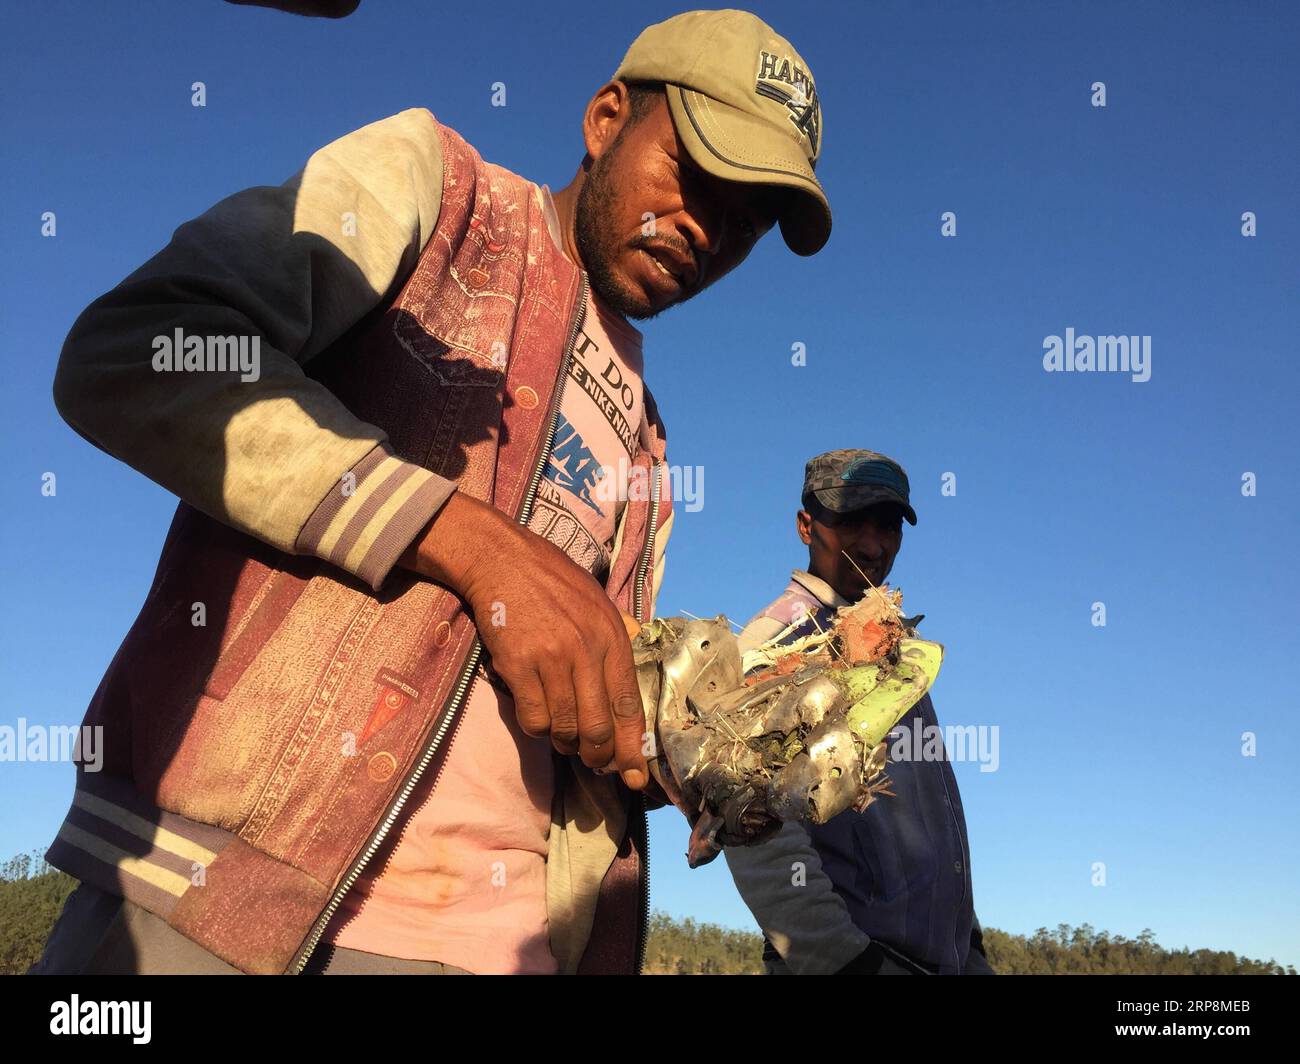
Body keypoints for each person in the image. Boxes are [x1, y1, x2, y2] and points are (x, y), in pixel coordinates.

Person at [30, 9, 832, 975]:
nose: (708, 227)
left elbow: (561, 695)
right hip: (224, 907)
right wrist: (476, 542)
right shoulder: (443, 193)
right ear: (606, 116)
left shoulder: (651, 447)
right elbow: (137, 352)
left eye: (744, 223)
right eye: (694, 176)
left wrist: (684, 752)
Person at [725, 449, 995, 975]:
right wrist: (842, 959)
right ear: (807, 526)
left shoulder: (896, 646)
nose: (872, 546)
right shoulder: (775, 645)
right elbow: (754, 831)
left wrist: (973, 950)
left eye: (889, 525)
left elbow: (931, 818)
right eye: (849, 522)